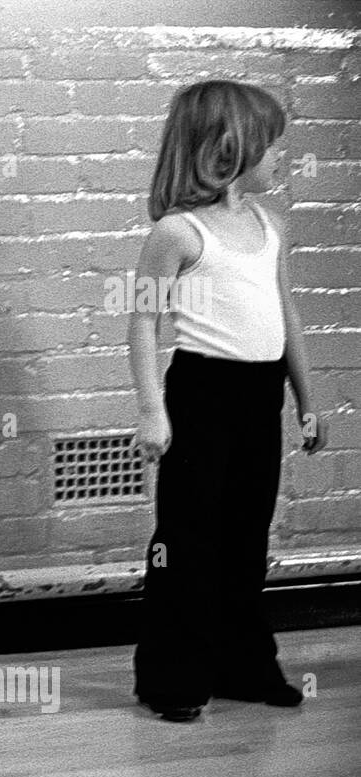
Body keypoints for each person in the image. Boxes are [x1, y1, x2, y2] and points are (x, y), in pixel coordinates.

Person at [128, 80, 326, 723]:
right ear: (228, 149)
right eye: (273, 147)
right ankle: (173, 675)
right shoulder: (178, 233)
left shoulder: (270, 227)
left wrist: (306, 400)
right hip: (201, 395)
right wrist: (153, 410)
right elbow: (141, 322)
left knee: (246, 537)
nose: (283, 159)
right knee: (187, 542)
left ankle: (242, 663)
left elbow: (288, 315)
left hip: (259, 396)